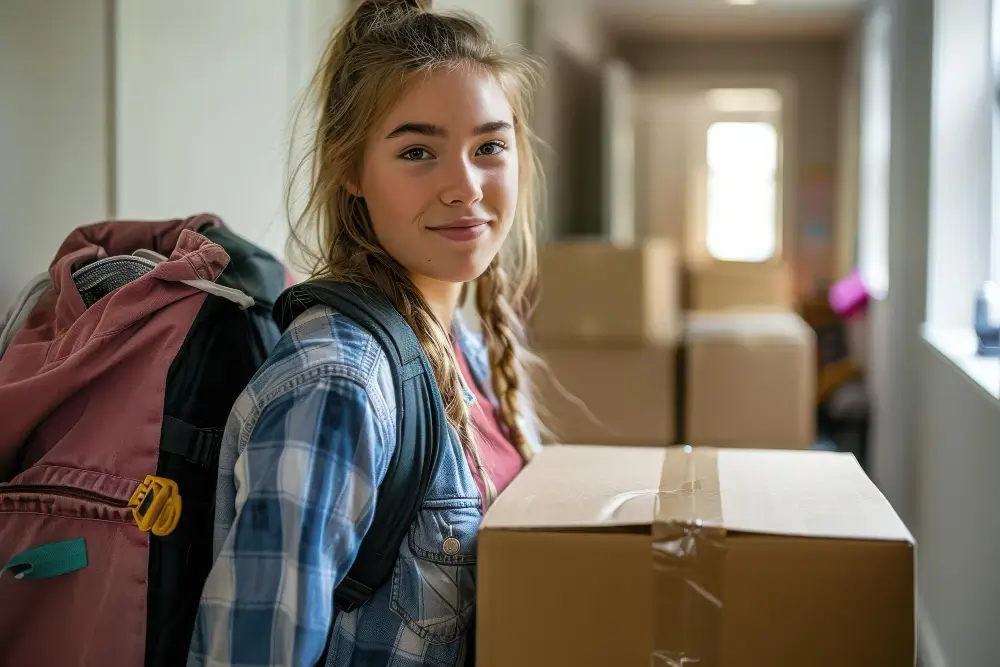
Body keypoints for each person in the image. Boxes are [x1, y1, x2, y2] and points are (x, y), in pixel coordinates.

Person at [186, 0, 545, 665]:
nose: (465, 186)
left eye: (489, 146)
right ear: (350, 168)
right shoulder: (336, 383)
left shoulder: (467, 346)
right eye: (417, 151)